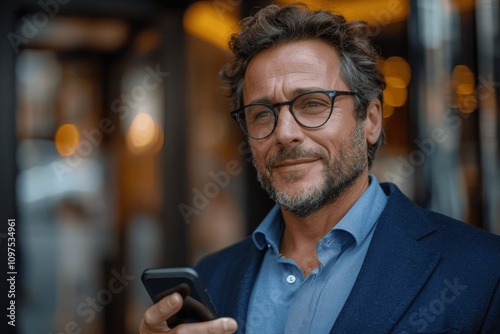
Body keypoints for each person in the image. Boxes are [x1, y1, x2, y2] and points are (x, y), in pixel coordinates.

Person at [140, 3, 500, 333]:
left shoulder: (482, 270)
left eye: (313, 104)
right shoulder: (213, 276)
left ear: (370, 120)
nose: (284, 133)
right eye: (262, 114)